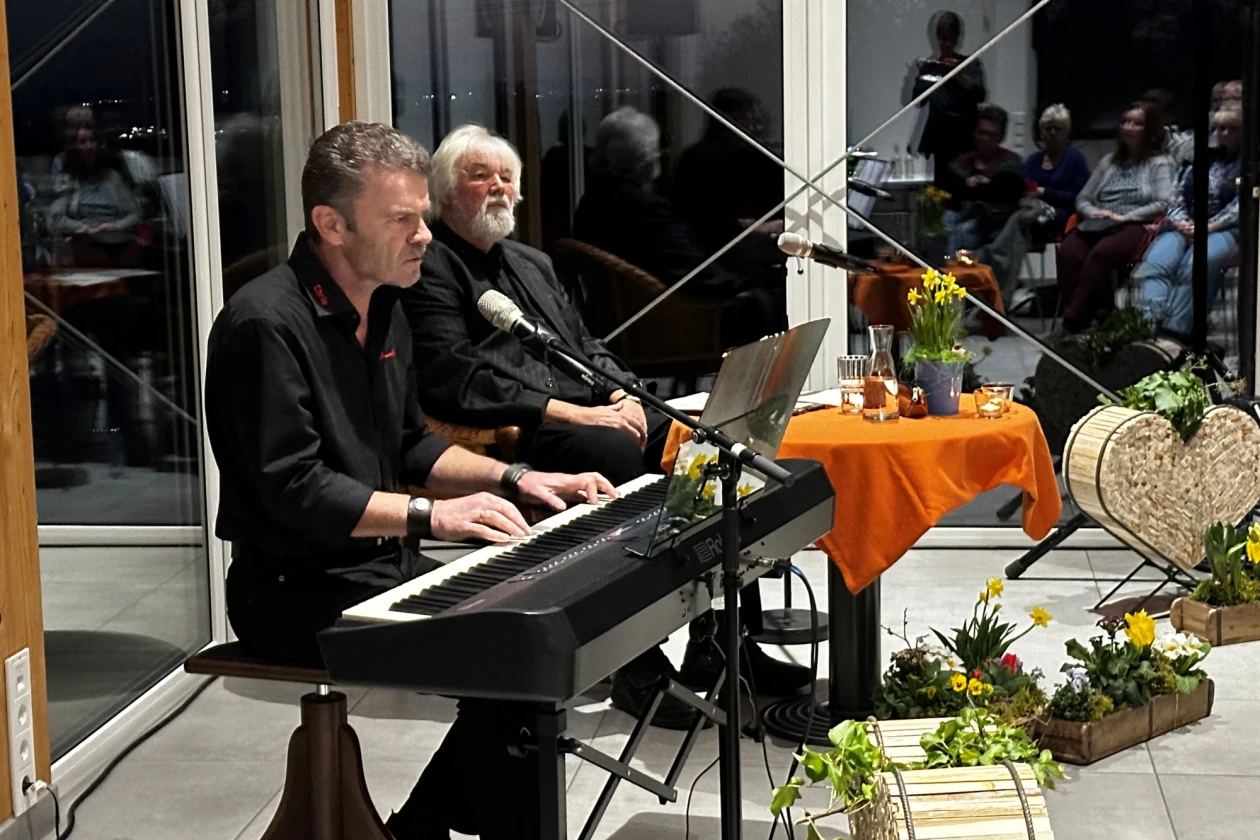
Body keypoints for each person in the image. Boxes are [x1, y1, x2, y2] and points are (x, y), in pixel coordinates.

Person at [205, 121, 618, 840]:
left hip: (377, 567)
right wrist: (434, 517)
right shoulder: (263, 324)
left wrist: (521, 477)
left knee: (530, 645)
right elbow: (294, 488)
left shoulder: (386, 304)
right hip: (290, 591)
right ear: (331, 224)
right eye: (401, 219)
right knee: (514, 662)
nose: (424, 235)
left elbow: (410, 446)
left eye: (422, 216)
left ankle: (418, 828)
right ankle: (423, 828)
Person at [400, 123, 810, 728]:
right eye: (479, 176)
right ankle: (636, 668)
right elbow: (454, 377)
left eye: (506, 177)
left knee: (713, 451)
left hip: (590, 410)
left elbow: (585, 344)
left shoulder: (531, 262)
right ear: (443, 191)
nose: (498, 188)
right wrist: (578, 412)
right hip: (516, 426)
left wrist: (623, 392)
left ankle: (724, 645)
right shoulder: (430, 266)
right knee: (613, 456)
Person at [572, 107, 786, 346]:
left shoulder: (590, 203)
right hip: (672, 327)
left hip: (617, 324)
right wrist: (753, 281)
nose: (660, 155)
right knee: (776, 295)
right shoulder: (646, 210)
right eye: (658, 149)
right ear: (644, 157)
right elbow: (696, 275)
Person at [1054, 101, 1175, 334]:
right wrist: (1094, 212)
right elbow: (1083, 198)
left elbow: (1164, 203)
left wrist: (1126, 217)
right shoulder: (1108, 161)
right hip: (1100, 220)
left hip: (1136, 223)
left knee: (1102, 253)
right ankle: (1098, 314)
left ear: (1149, 130)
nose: (1128, 127)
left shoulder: (1160, 163)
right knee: (1069, 251)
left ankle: (1072, 320)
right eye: (1125, 122)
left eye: (1136, 123)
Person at [1138, 104, 1242, 337]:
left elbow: (1240, 206)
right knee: (1156, 262)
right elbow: (1175, 198)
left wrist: (1208, 227)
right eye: (1219, 128)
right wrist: (1180, 222)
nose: (1223, 133)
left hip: (1225, 228)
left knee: (1195, 264)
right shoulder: (1197, 159)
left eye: (1231, 128)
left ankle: (1176, 332)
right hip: (1185, 226)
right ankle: (1150, 327)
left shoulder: (1247, 164)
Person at [979, 104, 1090, 304]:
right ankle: (994, 286)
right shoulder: (1032, 160)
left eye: (1058, 128)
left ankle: (997, 259)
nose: (1052, 133)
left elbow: (1079, 197)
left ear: (1066, 132)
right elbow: (1022, 187)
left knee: (1023, 218)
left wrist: (1046, 192)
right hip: (1031, 212)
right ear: (1041, 132)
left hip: (1062, 215)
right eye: (1048, 128)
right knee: (1013, 216)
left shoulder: (1074, 159)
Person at [908, 10, 987, 199]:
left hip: (965, 137)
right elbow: (918, 101)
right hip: (940, 138)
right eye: (941, 38)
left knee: (965, 187)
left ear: (957, 39)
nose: (945, 44)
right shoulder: (931, 66)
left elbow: (980, 95)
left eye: (949, 39)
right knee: (941, 188)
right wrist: (920, 77)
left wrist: (959, 75)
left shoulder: (970, 64)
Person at [943, 103, 1024, 256]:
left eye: (991, 134)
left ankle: (951, 269)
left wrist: (972, 187)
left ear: (1000, 137)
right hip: (963, 213)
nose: (985, 138)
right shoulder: (963, 161)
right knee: (943, 224)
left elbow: (1001, 194)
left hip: (994, 223)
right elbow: (950, 189)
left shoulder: (1011, 163)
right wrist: (970, 185)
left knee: (961, 232)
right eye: (981, 133)